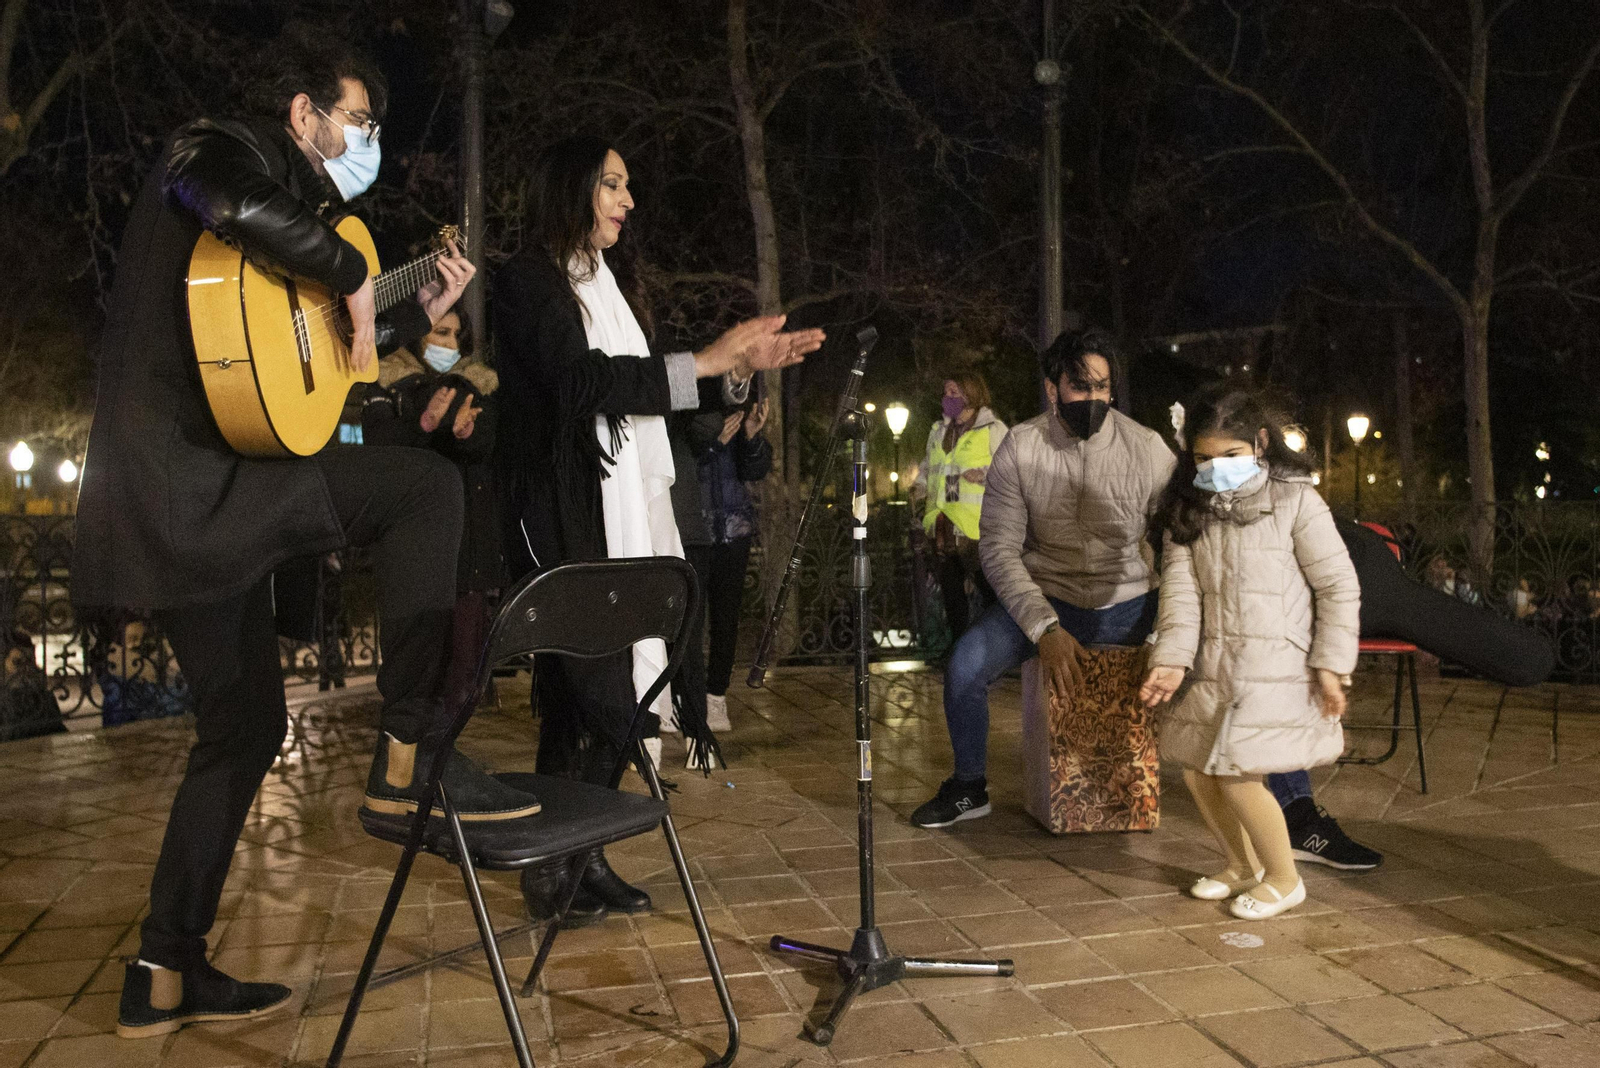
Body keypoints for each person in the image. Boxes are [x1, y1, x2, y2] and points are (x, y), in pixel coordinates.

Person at [68, 29, 529, 1038]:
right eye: (358, 121)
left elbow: (315, 367)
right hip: (198, 487)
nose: (366, 142)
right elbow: (223, 199)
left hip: (207, 501)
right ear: (302, 111)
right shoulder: (212, 146)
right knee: (420, 490)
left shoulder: (304, 220)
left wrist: (410, 315)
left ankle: (162, 966)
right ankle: (409, 745)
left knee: (241, 731)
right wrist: (350, 273)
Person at [492, 135, 823, 924]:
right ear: (572, 187)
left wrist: (734, 373)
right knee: (589, 693)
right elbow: (583, 382)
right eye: (612, 185)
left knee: (618, 696)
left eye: (628, 186)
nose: (627, 200)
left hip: (625, 516)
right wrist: (704, 361)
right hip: (570, 519)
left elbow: (645, 395)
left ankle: (585, 854)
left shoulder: (605, 281)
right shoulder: (528, 279)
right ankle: (550, 866)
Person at [910, 329, 1172, 828]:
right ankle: (969, 786)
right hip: (1048, 598)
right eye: (1080, 386)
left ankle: (1292, 809)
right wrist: (1044, 628)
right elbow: (999, 549)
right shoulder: (1021, 448)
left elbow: (1179, 547)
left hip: (1130, 601)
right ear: (1053, 389)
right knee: (965, 666)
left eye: (1102, 387)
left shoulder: (1148, 449)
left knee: (1243, 659)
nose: (1093, 398)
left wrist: (1172, 638)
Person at [1140, 386, 1361, 920]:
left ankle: (1285, 879)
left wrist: (1332, 665)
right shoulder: (1188, 512)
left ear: (1260, 444)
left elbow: (1337, 584)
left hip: (1277, 666)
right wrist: (1171, 660)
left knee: (1239, 773)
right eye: (1203, 458)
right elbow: (1181, 595)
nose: (1216, 468)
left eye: (1230, 455)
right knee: (1198, 769)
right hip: (1217, 665)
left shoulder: (1296, 501)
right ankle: (1242, 866)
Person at [362, 308, 505, 713]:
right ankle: (406, 762)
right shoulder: (387, 379)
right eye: (440, 332)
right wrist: (425, 424)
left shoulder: (479, 382)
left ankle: (440, 761)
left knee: (462, 678)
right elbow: (379, 445)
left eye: (455, 335)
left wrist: (465, 432)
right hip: (414, 552)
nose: (448, 344)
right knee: (413, 674)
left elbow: (485, 441)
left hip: (467, 553)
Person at [696, 393, 774, 733]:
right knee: (688, 620)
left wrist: (752, 435)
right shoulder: (692, 414)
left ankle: (716, 696)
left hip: (733, 531)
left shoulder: (737, 415)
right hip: (694, 532)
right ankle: (681, 695)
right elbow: (682, 466)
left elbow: (754, 469)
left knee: (726, 619)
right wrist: (714, 444)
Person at [912, 372, 1008, 641]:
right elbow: (930, 466)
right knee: (952, 595)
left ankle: (997, 649)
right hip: (944, 524)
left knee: (990, 592)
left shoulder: (993, 430)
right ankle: (959, 650)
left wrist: (985, 474)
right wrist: (918, 486)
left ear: (972, 394)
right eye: (946, 394)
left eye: (954, 393)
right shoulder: (939, 431)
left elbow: (1012, 469)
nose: (948, 399)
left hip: (978, 528)